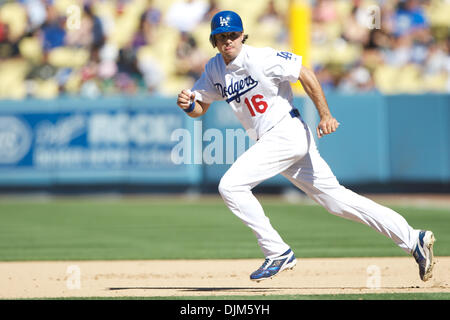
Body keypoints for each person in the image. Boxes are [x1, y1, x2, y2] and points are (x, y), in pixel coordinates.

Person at [176, 11, 436, 282]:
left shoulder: (262, 58)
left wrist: (325, 114)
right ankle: (413, 239)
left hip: (285, 133)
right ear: (214, 41)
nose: (228, 40)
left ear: (243, 36)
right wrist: (189, 105)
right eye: (221, 37)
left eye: (232, 35)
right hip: (274, 140)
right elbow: (200, 107)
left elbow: (305, 74)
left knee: (230, 185)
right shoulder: (214, 69)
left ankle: (277, 252)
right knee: (337, 201)